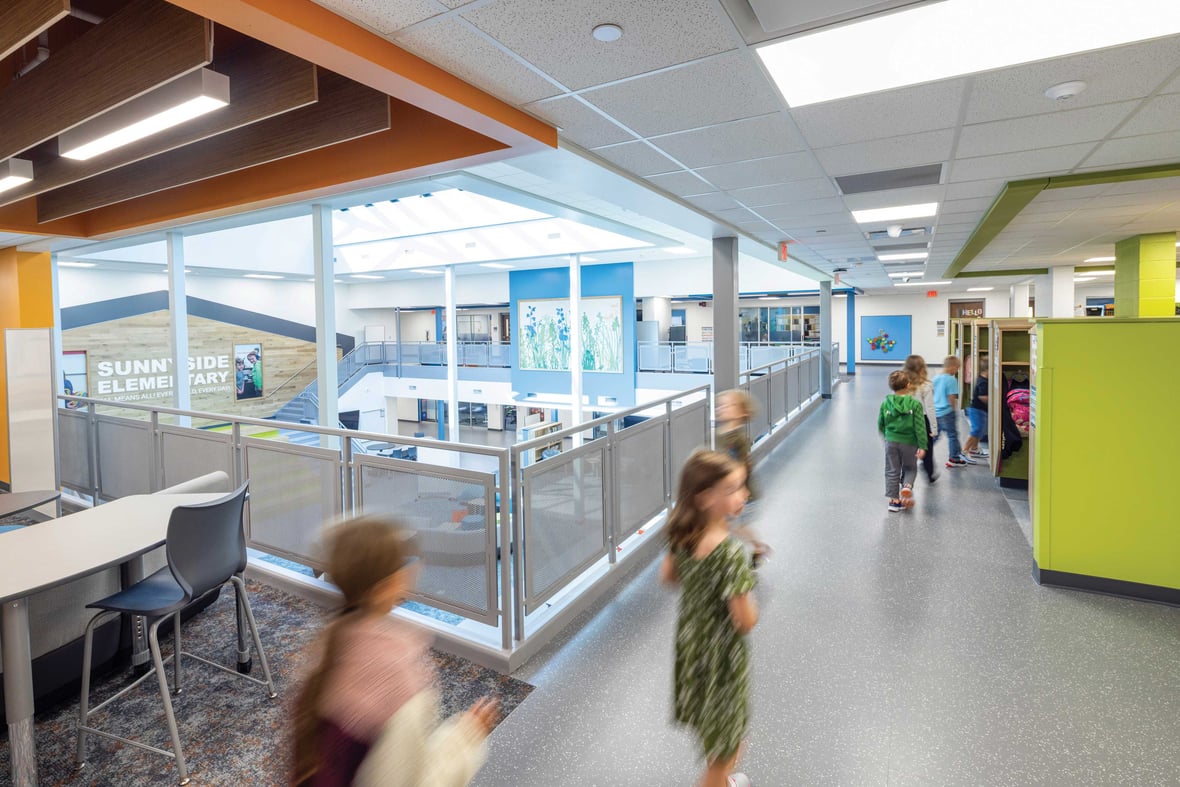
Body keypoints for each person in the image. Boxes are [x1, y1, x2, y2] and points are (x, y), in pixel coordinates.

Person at [292, 516, 497, 787]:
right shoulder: (396, 679)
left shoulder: (330, 646)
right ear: (385, 586)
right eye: (404, 562)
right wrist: (465, 738)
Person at [660, 450, 758, 787]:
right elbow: (745, 620)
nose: (743, 495)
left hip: (692, 648)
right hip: (722, 660)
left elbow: (669, 578)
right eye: (732, 490)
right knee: (728, 747)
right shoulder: (731, 554)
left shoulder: (683, 535)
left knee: (712, 729)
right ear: (705, 499)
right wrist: (749, 586)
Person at [714, 389, 770, 566]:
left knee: (734, 526)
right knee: (731, 526)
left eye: (729, 405)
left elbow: (743, 466)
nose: (722, 408)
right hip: (727, 493)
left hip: (742, 494)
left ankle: (757, 548)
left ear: (742, 413)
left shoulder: (738, 438)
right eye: (720, 405)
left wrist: (738, 490)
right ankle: (754, 548)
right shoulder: (719, 434)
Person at [878, 370, 928, 512]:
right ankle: (907, 486)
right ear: (908, 385)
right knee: (910, 467)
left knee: (892, 470)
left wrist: (887, 436)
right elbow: (920, 427)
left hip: (891, 441)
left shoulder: (885, 404)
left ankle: (894, 501)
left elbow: (881, 423)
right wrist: (922, 446)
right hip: (909, 442)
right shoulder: (915, 404)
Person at [903, 354, 939, 483]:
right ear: (923, 368)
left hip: (905, 420)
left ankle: (904, 477)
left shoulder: (902, 384)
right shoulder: (926, 386)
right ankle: (930, 473)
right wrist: (934, 428)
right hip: (922, 420)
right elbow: (930, 408)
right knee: (927, 449)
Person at [933, 356, 968, 468]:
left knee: (934, 436)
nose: (957, 371)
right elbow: (951, 397)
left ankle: (922, 452)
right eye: (957, 368)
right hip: (947, 412)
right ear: (952, 367)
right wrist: (954, 410)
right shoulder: (951, 380)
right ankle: (954, 458)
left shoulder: (936, 378)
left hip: (936, 412)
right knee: (952, 435)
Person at [963, 356, 989, 460]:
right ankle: (964, 450)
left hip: (981, 411)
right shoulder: (983, 382)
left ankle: (974, 448)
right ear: (987, 370)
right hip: (976, 410)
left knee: (980, 431)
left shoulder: (984, 379)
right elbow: (983, 397)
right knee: (976, 430)